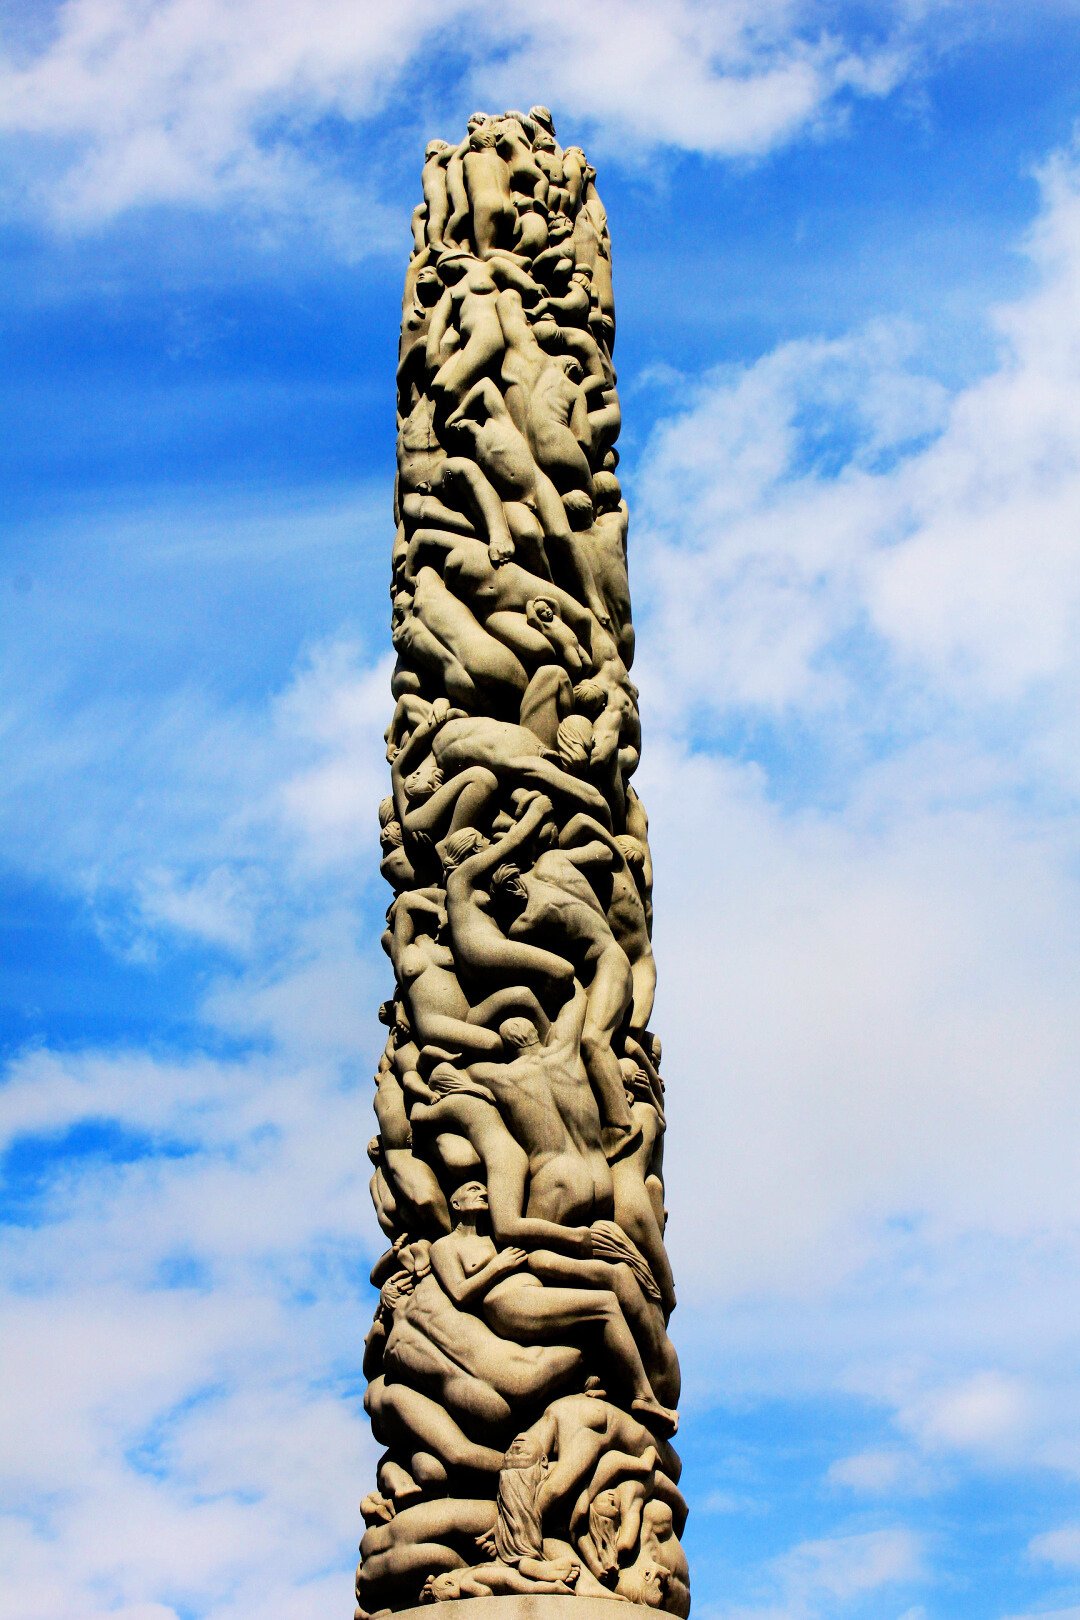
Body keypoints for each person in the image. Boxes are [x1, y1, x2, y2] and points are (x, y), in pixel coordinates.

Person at [429, 1181, 677, 1433]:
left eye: (484, 1189)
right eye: (472, 1189)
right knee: (605, 1305)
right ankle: (644, 1397)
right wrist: (497, 1267)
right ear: (455, 1203)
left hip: (531, 1295)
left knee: (594, 1314)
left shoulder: (493, 1240)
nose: (483, 1193)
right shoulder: (445, 1246)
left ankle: (598, 1382)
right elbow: (459, 1293)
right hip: (508, 1304)